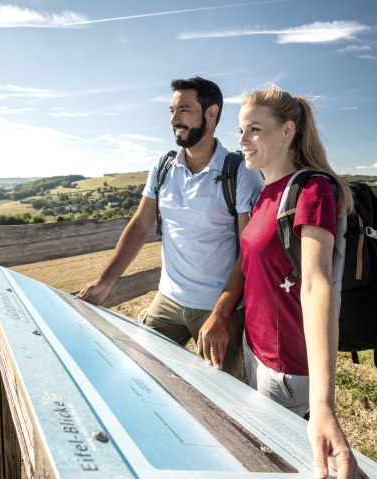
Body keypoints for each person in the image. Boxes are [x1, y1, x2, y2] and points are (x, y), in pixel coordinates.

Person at [78, 76, 263, 378]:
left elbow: (249, 252)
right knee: (139, 376)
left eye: (185, 110)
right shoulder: (163, 166)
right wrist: (105, 282)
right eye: (172, 110)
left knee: (226, 404)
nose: (174, 119)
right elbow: (140, 225)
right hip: (168, 300)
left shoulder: (240, 172)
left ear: (211, 113)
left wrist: (221, 314)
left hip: (219, 309)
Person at [236, 85, 365, 479]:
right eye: (241, 130)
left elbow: (316, 284)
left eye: (254, 129)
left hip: (286, 371)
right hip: (255, 352)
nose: (242, 141)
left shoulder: (311, 190)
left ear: (288, 131)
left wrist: (323, 404)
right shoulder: (264, 194)